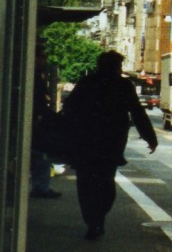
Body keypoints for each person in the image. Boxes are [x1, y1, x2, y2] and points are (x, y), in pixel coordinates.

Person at [62, 50, 157, 239]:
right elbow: (137, 112)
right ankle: (98, 218)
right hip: (111, 142)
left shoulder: (87, 82)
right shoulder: (123, 85)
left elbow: (69, 107)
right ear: (116, 67)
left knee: (86, 182)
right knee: (106, 182)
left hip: (86, 141)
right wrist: (149, 137)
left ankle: (92, 220)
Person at [29, 45, 61, 198]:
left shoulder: (36, 74)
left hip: (34, 120)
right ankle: (40, 187)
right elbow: (39, 103)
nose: (44, 60)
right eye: (41, 56)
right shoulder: (32, 75)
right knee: (41, 155)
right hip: (32, 122)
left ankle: (40, 186)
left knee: (39, 155)